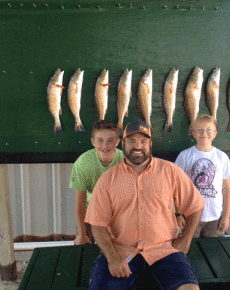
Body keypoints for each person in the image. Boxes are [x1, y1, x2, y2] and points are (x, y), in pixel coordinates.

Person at [85, 120, 206, 290]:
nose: (138, 146)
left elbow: (195, 206)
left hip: (164, 250)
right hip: (121, 252)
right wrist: (112, 257)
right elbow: (97, 224)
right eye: (132, 141)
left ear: (150, 144)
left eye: (143, 142)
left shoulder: (170, 171)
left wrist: (185, 240)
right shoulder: (108, 179)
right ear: (123, 144)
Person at [175, 114, 230, 238]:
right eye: (200, 130)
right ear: (193, 133)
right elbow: (177, 188)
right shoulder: (185, 156)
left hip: (215, 217)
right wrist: (178, 214)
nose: (204, 133)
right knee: (191, 252)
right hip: (190, 216)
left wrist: (226, 216)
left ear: (215, 133)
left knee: (213, 252)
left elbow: (227, 190)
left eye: (209, 130)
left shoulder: (221, 157)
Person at [69, 119, 124, 245]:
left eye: (110, 140)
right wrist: (81, 234)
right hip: (91, 213)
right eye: (100, 140)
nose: (105, 146)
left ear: (117, 142)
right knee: (84, 247)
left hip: (118, 214)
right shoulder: (83, 163)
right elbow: (81, 202)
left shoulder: (124, 161)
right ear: (93, 142)